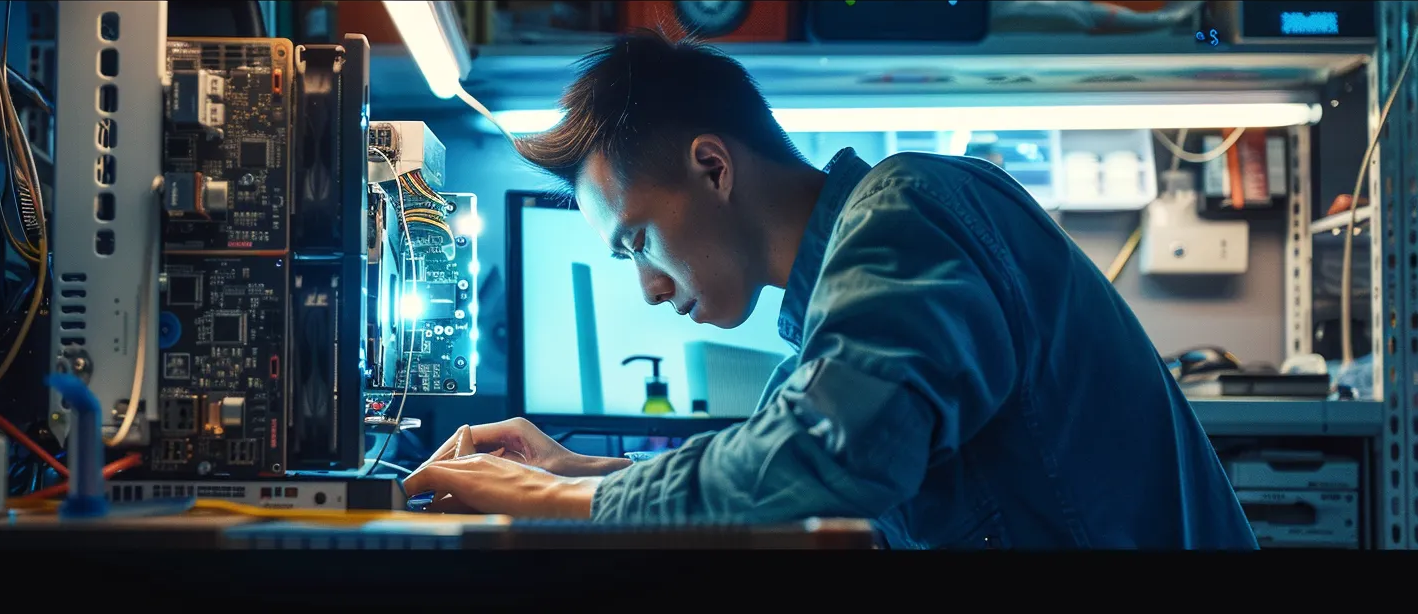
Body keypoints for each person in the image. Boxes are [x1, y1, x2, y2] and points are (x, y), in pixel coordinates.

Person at [402, 29, 1259, 549]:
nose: (652, 290)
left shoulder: (911, 211)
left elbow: (830, 455)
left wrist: (562, 501)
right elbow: (777, 473)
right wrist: (577, 467)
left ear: (712, 166)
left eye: (638, 244)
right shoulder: (832, 325)